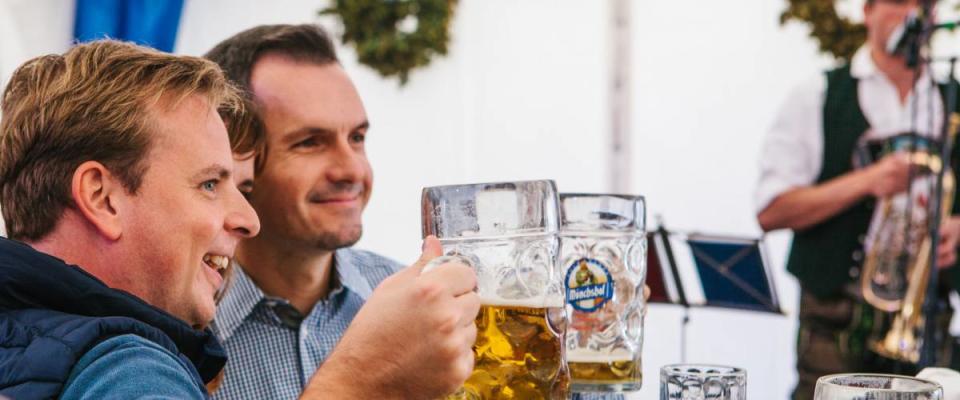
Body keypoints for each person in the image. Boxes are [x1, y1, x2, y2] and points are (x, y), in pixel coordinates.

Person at [0, 39, 477, 400]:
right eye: (210, 183)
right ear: (102, 198)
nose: (248, 219)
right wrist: (362, 379)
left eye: (358, 137)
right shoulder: (131, 373)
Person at [205, 24, 479, 399]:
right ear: (230, 155)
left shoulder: (429, 310)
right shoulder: (178, 332)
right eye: (310, 142)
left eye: (357, 138)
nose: (351, 170)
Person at [756, 0, 960, 398]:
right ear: (868, 10)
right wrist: (868, 181)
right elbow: (771, 209)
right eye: (899, 3)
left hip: (927, 324)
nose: (912, 15)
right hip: (835, 323)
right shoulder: (819, 93)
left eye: (924, 5)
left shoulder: (951, 98)